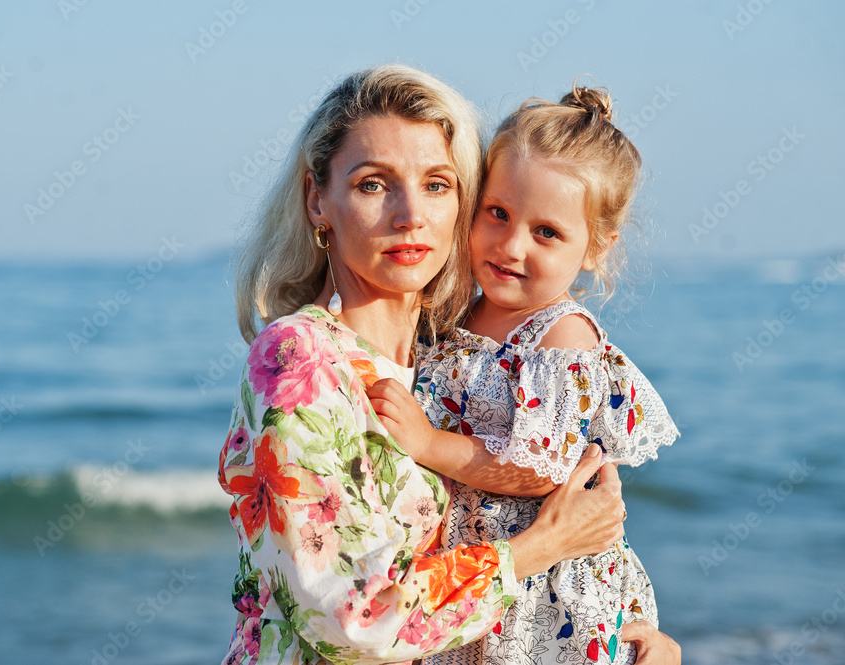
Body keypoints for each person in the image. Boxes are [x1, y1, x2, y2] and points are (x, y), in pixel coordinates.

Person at [219, 65, 679, 665]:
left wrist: (638, 635)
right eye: (372, 184)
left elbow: (552, 495)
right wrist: (541, 547)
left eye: (437, 184)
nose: (410, 214)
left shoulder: (448, 357)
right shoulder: (299, 360)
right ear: (317, 200)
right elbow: (353, 621)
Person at [366, 83, 680, 665]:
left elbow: (539, 469)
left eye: (546, 233)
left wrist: (428, 442)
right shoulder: (456, 311)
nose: (511, 246)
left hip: (547, 596)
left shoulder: (561, 338)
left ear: (596, 248)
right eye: (498, 214)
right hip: (478, 572)